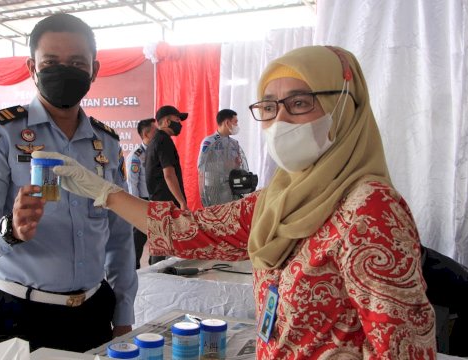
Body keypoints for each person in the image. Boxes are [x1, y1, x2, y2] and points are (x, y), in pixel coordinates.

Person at [33, 45, 436, 358]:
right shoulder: (281, 197)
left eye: (299, 103)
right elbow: (187, 231)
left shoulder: (372, 209)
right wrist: (103, 191)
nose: (280, 121)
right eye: (269, 106)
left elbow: (402, 349)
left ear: (345, 105)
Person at [0, 13, 137, 360]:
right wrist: (10, 230)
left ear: (94, 70)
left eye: (76, 63)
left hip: (93, 310)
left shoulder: (107, 143)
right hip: (20, 313)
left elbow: (119, 236)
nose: (64, 71)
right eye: (51, 62)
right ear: (32, 67)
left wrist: (123, 312)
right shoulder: (1, 133)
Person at [145, 105, 188, 265]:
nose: (180, 124)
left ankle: (157, 280)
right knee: (163, 249)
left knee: (160, 246)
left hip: (158, 202)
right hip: (165, 203)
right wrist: (182, 201)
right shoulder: (164, 141)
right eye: (177, 120)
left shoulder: (155, 140)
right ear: (167, 121)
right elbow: (169, 175)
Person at [197, 109, 244, 206]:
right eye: (235, 122)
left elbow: (237, 164)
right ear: (227, 122)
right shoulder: (209, 142)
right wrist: (224, 165)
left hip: (232, 188)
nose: (237, 125)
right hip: (214, 189)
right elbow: (201, 165)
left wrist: (237, 165)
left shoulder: (234, 144)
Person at [127, 118, 157, 269]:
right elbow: (132, 182)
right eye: (155, 131)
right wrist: (136, 205)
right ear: (146, 134)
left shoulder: (156, 151)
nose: (157, 133)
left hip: (155, 200)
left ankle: (155, 265)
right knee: (139, 237)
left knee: (157, 235)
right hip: (142, 200)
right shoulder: (137, 155)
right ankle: (133, 268)